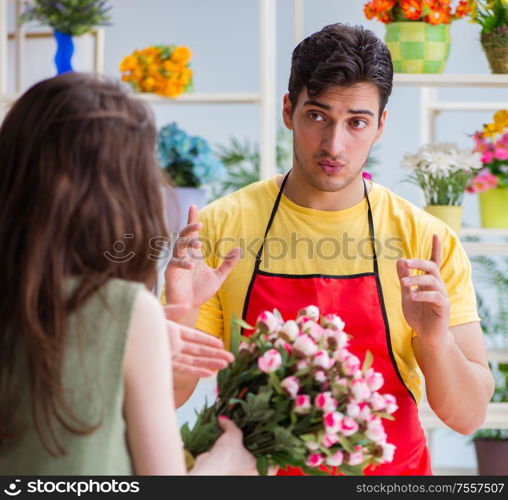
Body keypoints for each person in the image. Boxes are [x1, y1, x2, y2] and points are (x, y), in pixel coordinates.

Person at [164, 23, 495, 475]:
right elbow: (168, 397)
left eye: (356, 122)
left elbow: (468, 415)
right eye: (317, 116)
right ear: (288, 111)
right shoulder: (220, 229)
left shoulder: (425, 241)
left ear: (380, 125)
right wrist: (181, 312)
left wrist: (435, 341)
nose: (334, 145)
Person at [0, 72, 256, 475]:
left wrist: (171, 316)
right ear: (122, 194)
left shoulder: (123, 316)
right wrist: (227, 463)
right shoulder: (125, 312)